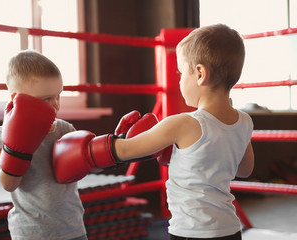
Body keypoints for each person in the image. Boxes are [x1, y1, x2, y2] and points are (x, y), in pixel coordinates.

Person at [53, 24, 254, 240]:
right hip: (230, 230)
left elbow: (127, 150)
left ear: (199, 74)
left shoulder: (181, 124)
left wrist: (82, 149)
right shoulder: (244, 121)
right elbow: (244, 170)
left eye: (180, 72)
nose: (179, 79)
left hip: (193, 232)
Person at [0, 50, 87, 240]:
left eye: (58, 95)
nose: (56, 105)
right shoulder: (3, 136)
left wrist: (116, 145)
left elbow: (91, 164)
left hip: (72, 228)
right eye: (46, 99)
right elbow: (8, 183)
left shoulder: (65, 129)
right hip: (31, 232)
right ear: (17, 99)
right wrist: (20, 146)